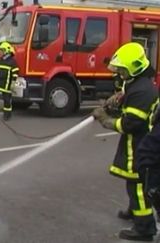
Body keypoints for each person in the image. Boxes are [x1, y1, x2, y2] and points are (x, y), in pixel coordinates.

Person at [92, 42, 158, 241]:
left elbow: (130, 124)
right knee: (134, 182)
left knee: (137, 186)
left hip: (142, 145)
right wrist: (119, 99)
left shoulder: (142, 91)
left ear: (134, 68)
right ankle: (135, 211)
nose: (119, 73)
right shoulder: (138, 83)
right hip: (138, 143)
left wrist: (106, 120)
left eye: (122, 70)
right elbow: (129, 105)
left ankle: (144, 228)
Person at [0, 41, 19, 120]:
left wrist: (13, 82)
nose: (0, 52)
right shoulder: (0, 60)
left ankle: (7, 114)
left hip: (6, 83)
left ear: (6, 51)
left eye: (1, 50)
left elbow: (15, 72)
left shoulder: (12, 62)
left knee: (6, 100)